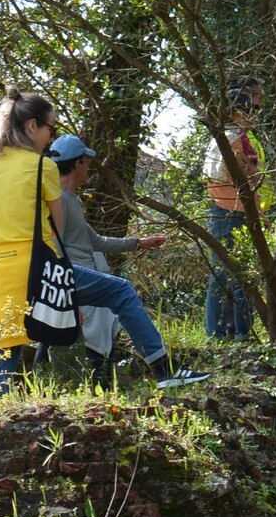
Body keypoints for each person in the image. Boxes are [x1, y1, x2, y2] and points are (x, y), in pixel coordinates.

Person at [50, 135, 206, 388]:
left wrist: (140, 243)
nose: (89, 168)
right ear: (78, 164)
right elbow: (53, 246)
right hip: (71, 277)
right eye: (87, 162)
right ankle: (163, 370)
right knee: (122, 293)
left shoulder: (69, 199)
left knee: (104, 327)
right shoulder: (57, 199)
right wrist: (66, 295)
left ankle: (140, 375)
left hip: (79, 276)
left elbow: (95, 241)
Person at [0, 90, 82, 391]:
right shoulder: (43, 166)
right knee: (115, 292)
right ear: (32, 125)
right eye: (51, 128)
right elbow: (57, 227)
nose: (51, 137)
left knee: (1, 348)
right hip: (32, 266)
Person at [201, 87, 265, 341]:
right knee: (222, 275)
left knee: (243, 276)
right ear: (238, 111)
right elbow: (232, 176)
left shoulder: (240, 138)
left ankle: (241, 332)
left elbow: (252, 177)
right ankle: (216, 335)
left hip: (242, 212)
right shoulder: (228, 139)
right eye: (252, 108)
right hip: (227, 212)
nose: (256, 114)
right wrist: (251, 173)